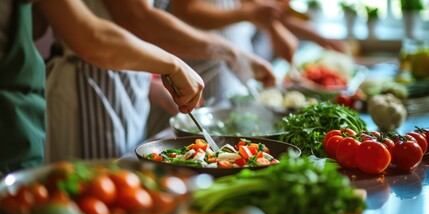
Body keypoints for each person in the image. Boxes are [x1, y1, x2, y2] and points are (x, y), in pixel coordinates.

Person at [36, 0, 276, 163]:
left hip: (127, 79)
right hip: (90, 88)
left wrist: (151, 88)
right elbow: (137, 20)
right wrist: (227, 54)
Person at [0, 0, 205, 174]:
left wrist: (152, 87)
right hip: (84, 89)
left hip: (22, 99)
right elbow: (93, 36)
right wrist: (174, 66)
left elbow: (35, 24)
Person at [155, 0, 345, 98]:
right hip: (200, 62)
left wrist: (274, 27)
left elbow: (257, 6)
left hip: (236, 56)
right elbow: (187, 10)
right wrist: (248, 14)